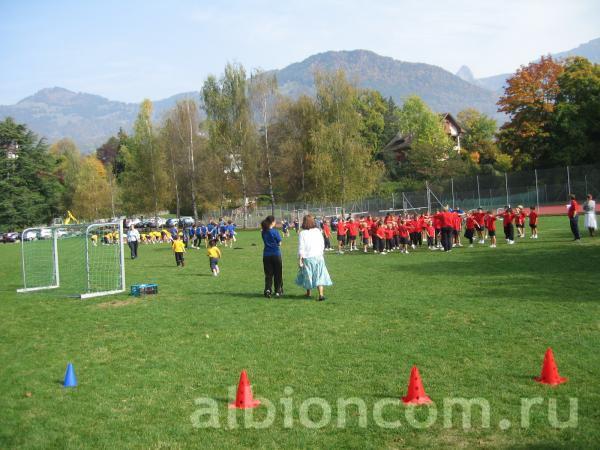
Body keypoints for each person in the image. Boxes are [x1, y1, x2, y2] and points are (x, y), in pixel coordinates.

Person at [295, 214, 332, 301]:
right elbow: (322, 243)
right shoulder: (317, 231)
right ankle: (321, 295)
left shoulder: (302, 233)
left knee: (308, 275)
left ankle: (308, 293)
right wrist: (321, 252)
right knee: (319, 275)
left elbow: (301, 247)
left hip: (308, 257)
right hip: (318, 256)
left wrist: (300, 258)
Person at [261, 216, 283, 298]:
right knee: (278, 273)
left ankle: (268, 290)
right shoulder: (275, 231)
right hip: (276, 254)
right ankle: (278, 291)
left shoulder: (263, 232)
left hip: (266, 255)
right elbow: (279, 242)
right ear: (272, 222)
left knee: (268, 274)